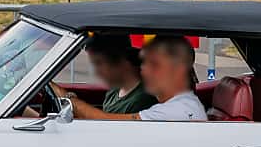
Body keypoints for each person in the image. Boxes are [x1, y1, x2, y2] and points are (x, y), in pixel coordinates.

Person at [66, 35, 204, 122]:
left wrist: (72, 103)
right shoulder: (178, 105)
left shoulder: (177, 112)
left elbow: (107, 121)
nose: (144, 70)